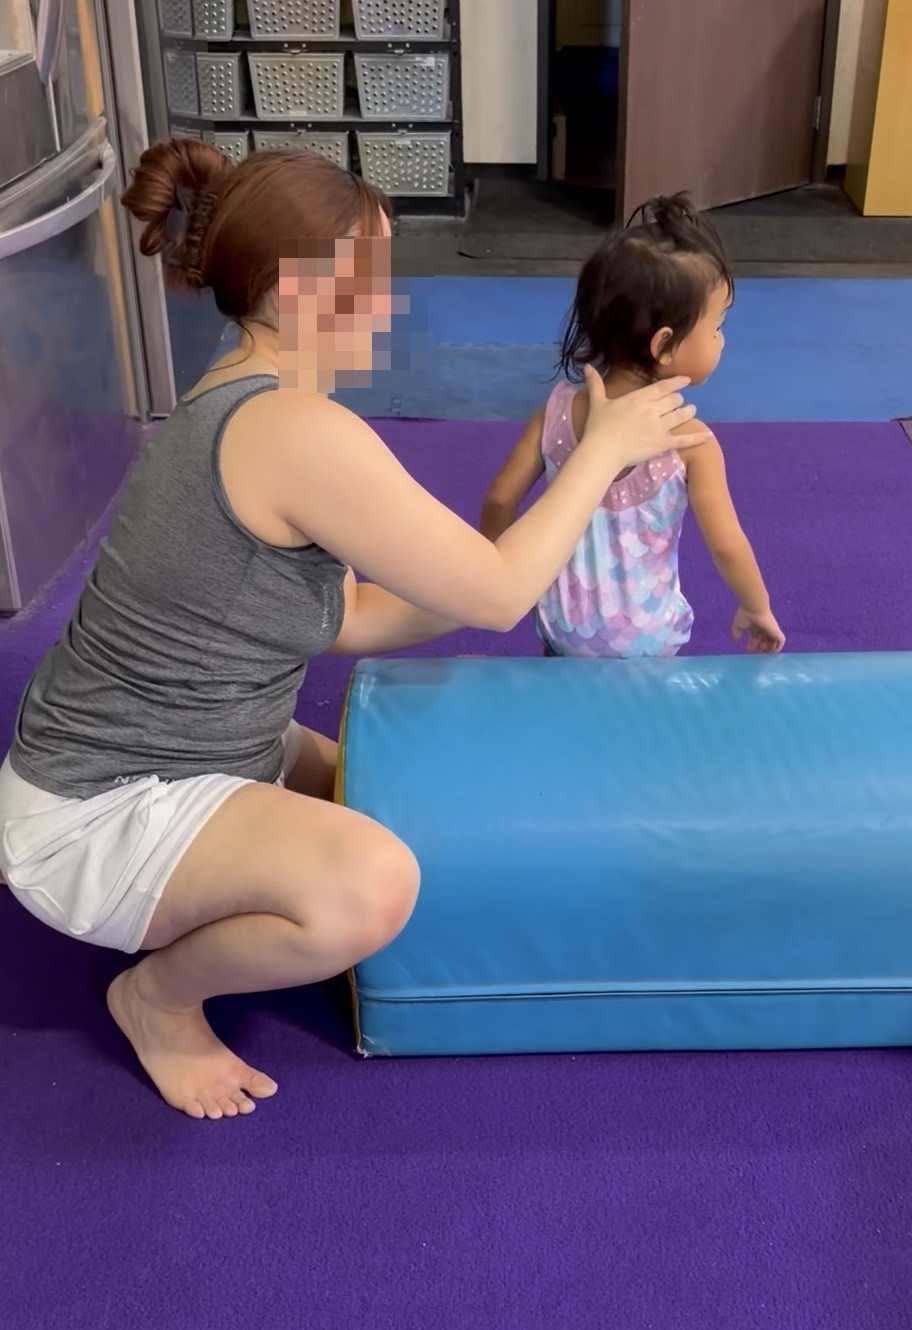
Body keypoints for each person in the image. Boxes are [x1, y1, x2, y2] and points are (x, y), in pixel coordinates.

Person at [0, 140, 707, 1120]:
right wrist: (600, 456)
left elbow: (352, 614)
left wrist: (504, 554)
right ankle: (156, 998)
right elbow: (499, 597)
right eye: (371, 278)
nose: (386, 303)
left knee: (398, 798)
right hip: (97, 809)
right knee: (373, 884)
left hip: (193, 738)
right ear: (298, 290)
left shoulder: (239, 395)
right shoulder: (296, 432)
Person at [479, 193, 785, 659]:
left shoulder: (558, 412)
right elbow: (725, 542)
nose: (722, 340)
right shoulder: (690, 441)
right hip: (646, 639)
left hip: (562, 626)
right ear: (665, 345)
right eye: (717, 326)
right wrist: (756, 607)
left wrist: (495, 574)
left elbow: (501, 498)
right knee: (639, 724)